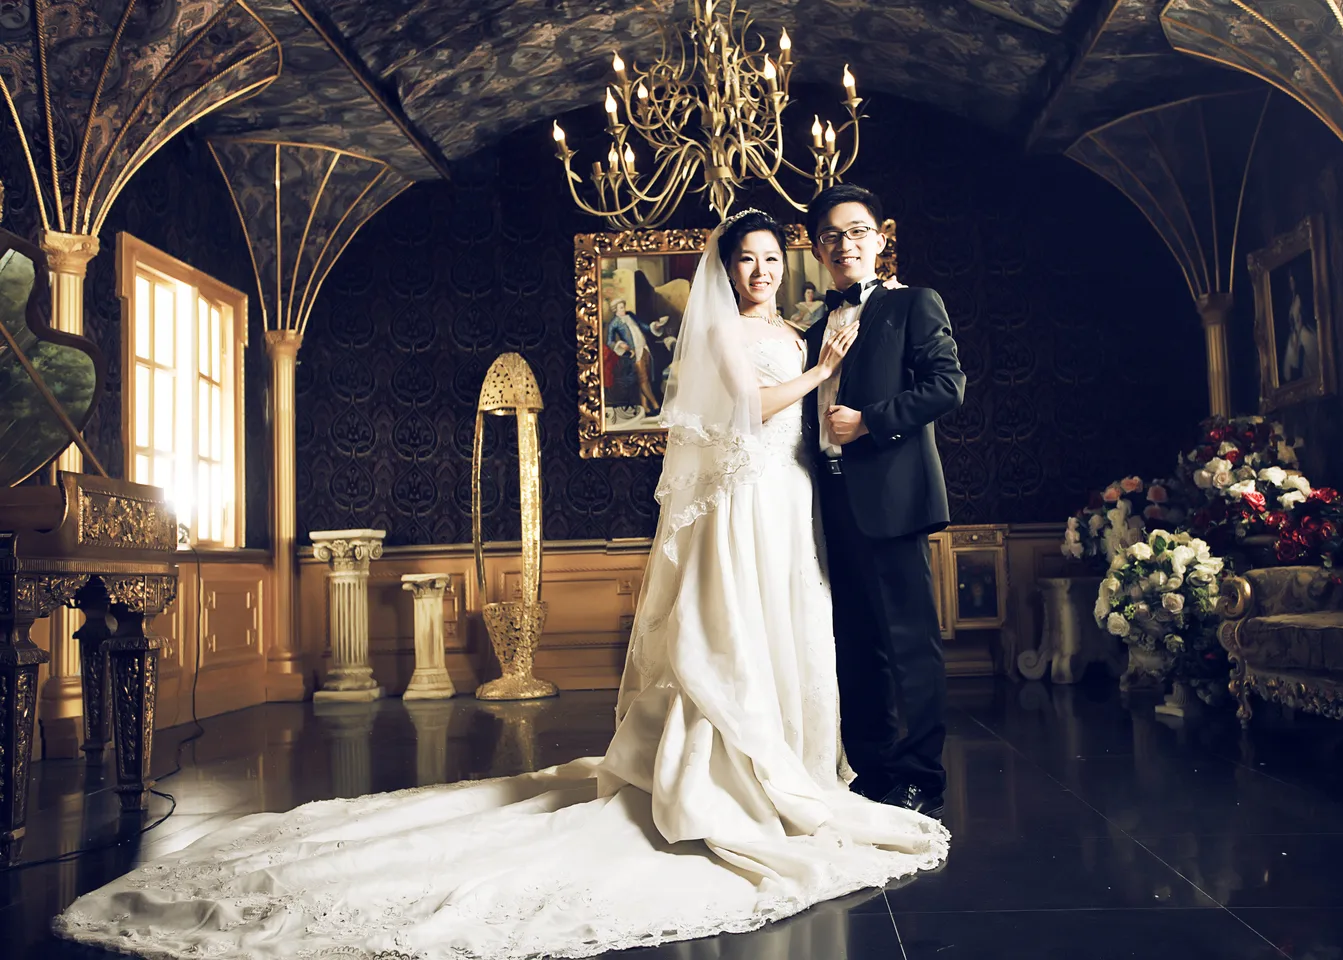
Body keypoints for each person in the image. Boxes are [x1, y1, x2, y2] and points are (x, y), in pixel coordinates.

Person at [53, 210, 948, 960]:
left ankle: (796, 770)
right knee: (738, 636)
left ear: (789, 264)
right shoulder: (728, 332)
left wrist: (831, 388)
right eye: (745, 259)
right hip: (745, 506)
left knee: (800, 630)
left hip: (796, 503)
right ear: (724, 269)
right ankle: (733, 782)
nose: (759, 271)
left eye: (770, 258)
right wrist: (821, 373)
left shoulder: (800, 326)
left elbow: (829, 420)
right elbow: (749, 411)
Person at [803, 184, 965, 818]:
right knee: (855, 641)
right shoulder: (811, 325)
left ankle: (922, 776)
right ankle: (871, 770)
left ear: (879, 238)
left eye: (856, 232)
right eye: (831, 236)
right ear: (818, 250)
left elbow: (947, 385)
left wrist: (870, 421)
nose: (844, 244)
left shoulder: (913, 304)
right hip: (827, 498)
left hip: (892, 496)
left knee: (909, 642)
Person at [607, 297, 663, 415]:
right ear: (615, 309)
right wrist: (620, 344)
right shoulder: (614, 323)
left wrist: (655, 326)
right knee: (643, 378)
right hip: (634, 352)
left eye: (623, 307)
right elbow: (609, 342)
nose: (623, 309)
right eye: (621, 308)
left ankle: (645, 408)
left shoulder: (631, 315)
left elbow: (644, 327)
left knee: (645, 378)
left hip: (644, 348)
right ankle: (655, 405)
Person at [1280, 272, 1318, 383]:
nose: (1291, 282)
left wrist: (1298, 331)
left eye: (1292, 280)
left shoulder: (1299, 298)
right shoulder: (1290, 300)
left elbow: (1300, 318)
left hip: (1301, 331)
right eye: (1289, 280)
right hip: (1295, 333)